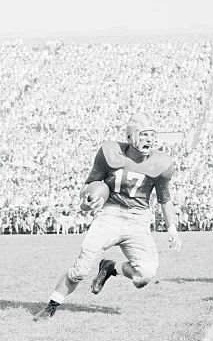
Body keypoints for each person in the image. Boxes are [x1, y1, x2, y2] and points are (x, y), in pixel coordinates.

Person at [34, 112, 182, 320]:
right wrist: (88, 203)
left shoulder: (161, 163)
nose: (149, 139)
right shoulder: (110, 153)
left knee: (145, 275)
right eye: (144, 134)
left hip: (138, 219)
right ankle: (51, 306)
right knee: (81, 270)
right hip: (110, 215)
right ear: (131, 137)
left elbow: (164, 198)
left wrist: (172, 229)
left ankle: (111, 267)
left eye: (151, 135)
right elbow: (88, 187)